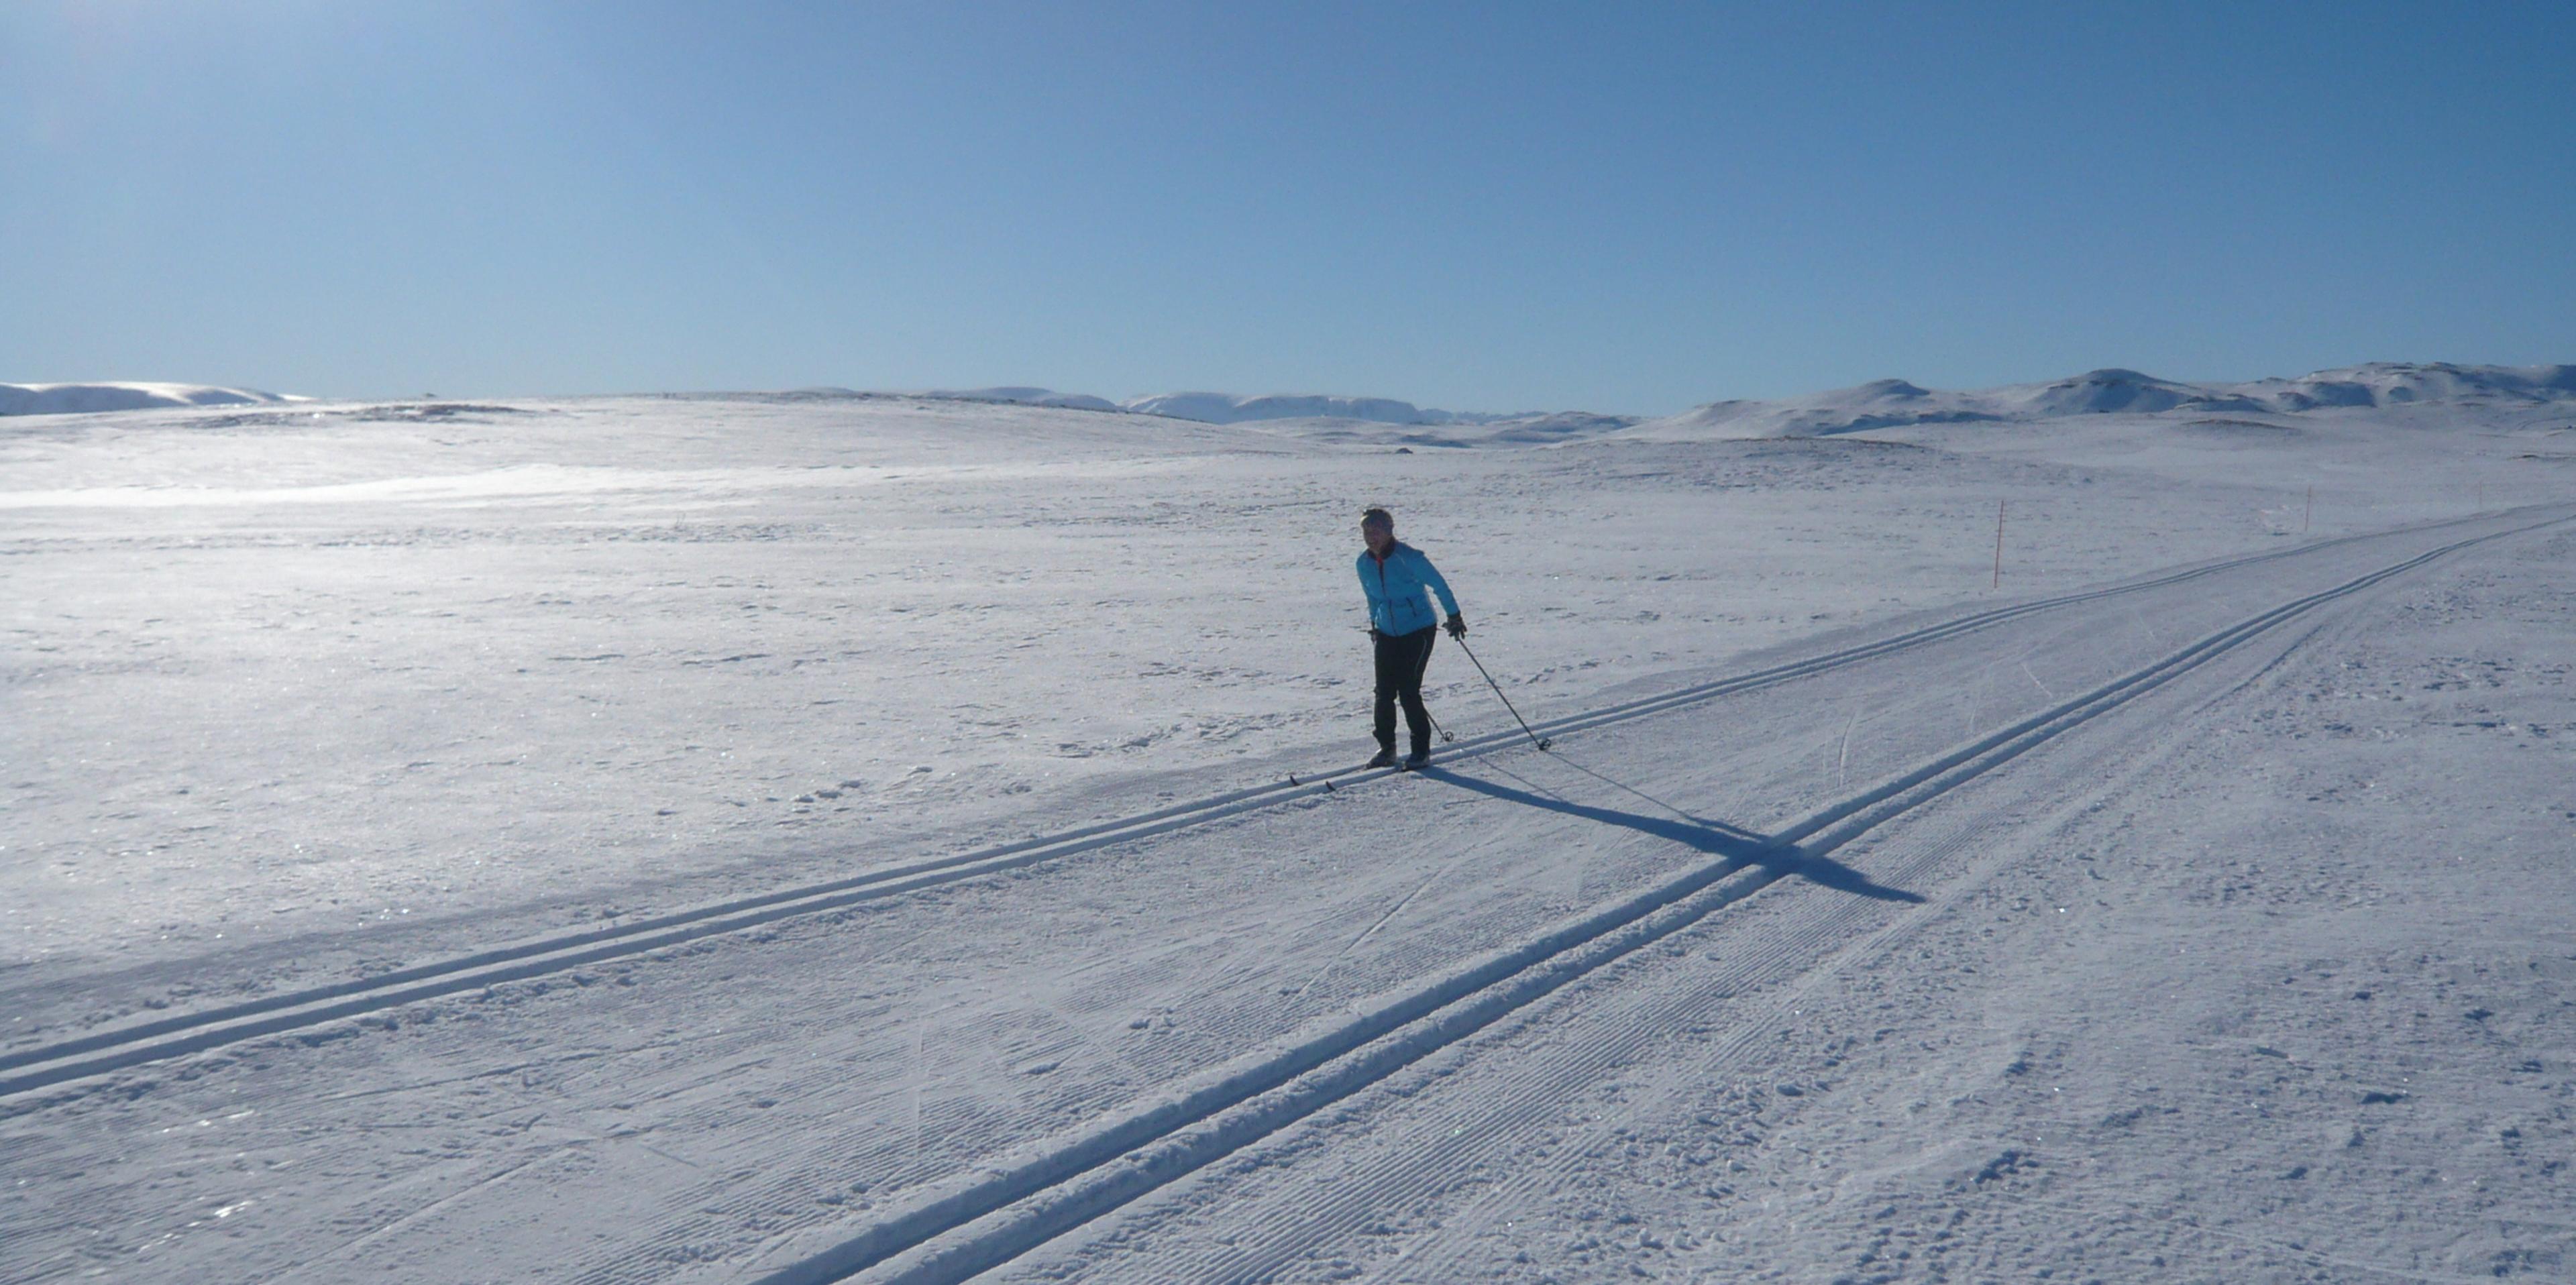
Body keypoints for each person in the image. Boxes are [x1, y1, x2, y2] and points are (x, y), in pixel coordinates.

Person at [1355, 507, 1466, 769]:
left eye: (1377, 530)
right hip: (1386, 631)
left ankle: (1420, 751)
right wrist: (1374, 624)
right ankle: (1387, 748)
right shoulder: (1363, 563)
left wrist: (1454, 616)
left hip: (1418, 629)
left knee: (1408, 690)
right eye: (1367, 532)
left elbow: (1439, 585)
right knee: (1383, 692)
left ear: (1389, 530)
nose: (1372, 537)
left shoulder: (1409, 558)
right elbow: (1371, 596)